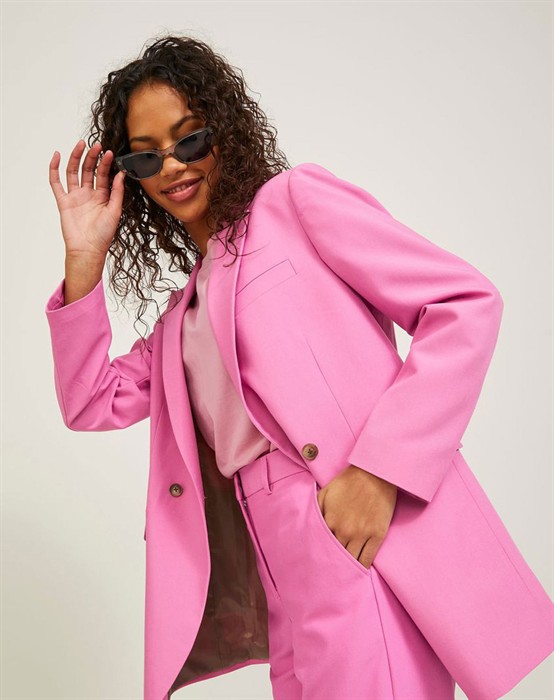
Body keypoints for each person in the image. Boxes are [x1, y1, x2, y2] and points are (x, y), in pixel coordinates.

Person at [46, 35, 553, 700]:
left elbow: (463, 305)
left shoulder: (293, 202)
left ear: (224, 131)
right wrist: (84, 261)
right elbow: (91, 401)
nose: (172, 165)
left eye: (189, 139)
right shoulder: (181, 317)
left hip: (348, 519)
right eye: (147, 155)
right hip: (272, 564)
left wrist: (379, 473)